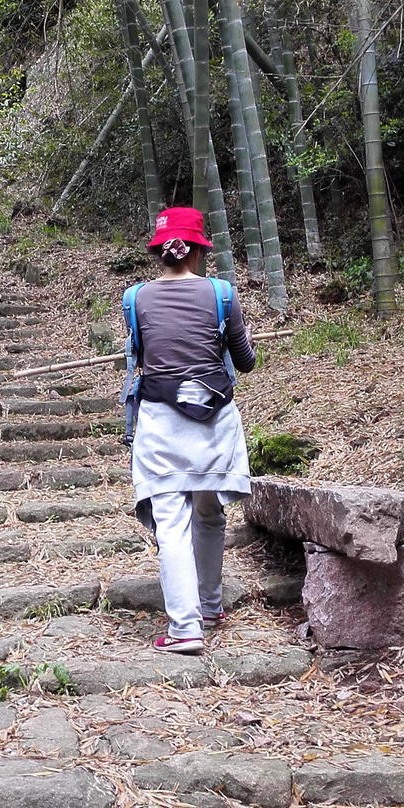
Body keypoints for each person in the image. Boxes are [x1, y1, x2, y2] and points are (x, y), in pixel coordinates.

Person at [124, 206, 256, 654]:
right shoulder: (222, 294)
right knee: (209, 512)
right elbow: (245, 361)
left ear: (159, 252)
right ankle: (210, 606)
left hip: (161, 421)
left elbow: (143, 352)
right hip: (214, 421)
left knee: (171, 523)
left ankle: (185, 627)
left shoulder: (135, 299)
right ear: (199, 250)